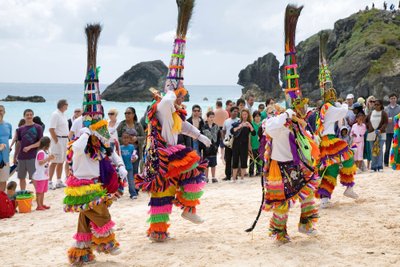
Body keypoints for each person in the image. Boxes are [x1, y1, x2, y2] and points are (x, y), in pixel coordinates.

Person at [135, 3, 211, 242]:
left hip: (172, 155)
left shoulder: (174, 110)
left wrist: (200, 136)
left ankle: (189, 208)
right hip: (160, 156)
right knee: (162, 194)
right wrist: (172, 90)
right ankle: (158, 231)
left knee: (192, 170)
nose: (182, 99)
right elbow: (168, 103)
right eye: (180, 95)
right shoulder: (162, 107)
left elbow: (184, 126)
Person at [65, 24, 126, 265]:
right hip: (82, 185)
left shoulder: (99, 140)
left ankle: (82, 253)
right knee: (100, 212)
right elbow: (77, 149)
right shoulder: (80, 139)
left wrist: (120, 167)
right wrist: (86, 132)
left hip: (96, 182)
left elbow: (111, 150)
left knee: (85, 219)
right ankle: (108, 244)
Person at [15, 109, 43, 191]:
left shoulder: (38, 127)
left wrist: (30, 147)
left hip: (33, 156)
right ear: (24, 116)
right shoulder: (20, 129)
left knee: (34, 177)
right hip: (21, 157)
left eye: (31, 114)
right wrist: (15, 155)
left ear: (33, 116)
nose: (29, 116)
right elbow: (19, 143)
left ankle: (38, 194)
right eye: (27, 115)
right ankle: (23, 193)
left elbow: (40, 142)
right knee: (21, 177)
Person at [48, 99, 69, 190]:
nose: (67, 106)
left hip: (64, 139)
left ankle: (59, 181)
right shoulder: (55, 114)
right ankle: (49, 182)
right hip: (58, 139)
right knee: (54, 161)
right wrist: (56, 141)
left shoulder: (63, 115)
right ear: (63, 105)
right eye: (66, 104)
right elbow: (51, 129)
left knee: (62, 161)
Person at [117, 107, 145, 172]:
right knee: (124, 171)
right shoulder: (122, 124)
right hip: (124, 152)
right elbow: (116, 137)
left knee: (134, 171)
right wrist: (125, 140)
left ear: (133, 114)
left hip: (135, 152)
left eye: (129, 113)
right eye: (125, 113)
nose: (127, 115)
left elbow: (144, 137)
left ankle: (134, 182)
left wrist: (137, 139)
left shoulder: (138, 125)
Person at [231, 109, 255, 182]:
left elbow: (254, 133)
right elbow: (232, 131)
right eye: (243, 114)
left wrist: (250, 126)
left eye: (246, 114)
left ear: (248, 115)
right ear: (241, 115)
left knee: (244, 161)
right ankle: (234, 178)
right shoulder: (238, 122)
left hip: (244, 145)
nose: (244, 116)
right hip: (236, 144)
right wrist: (240, 126)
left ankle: (242, 178)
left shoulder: (249, 123)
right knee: (235, 160)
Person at [32, 136, 54, 210]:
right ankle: (39, 205)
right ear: (47, 144)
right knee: (39, 192)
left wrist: (49, 159)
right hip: (39, 175)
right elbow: (40, 162)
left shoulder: (45, 152)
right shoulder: (41, 152)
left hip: (44, 175)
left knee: (43, 191)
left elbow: (45, 163)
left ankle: (41, 204)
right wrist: (48, 158)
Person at [366, 100, 388, 172]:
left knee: (380, 150)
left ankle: (380, 166)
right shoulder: (371, 113)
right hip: (371, 134)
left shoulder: (384, 113)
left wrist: (380, 130)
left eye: (377, 104)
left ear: (381, 105)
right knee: (373, 150)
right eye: (375, 104)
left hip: (381, 134)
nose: (376, 106)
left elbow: (385, 123)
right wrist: (369, 127)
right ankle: (373, 166)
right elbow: (366, 121)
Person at [201, 111, 220, 183]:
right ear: (207, 118)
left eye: (213, 117)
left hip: (214, 147)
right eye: (210, 117)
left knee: (213, 163)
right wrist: (203, 147)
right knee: (206, 164)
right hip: (206, 147)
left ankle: (213, 177)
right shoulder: (204, 127)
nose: (211, 118)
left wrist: (217, 146)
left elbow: (218, 137)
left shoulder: (216, 126)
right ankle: (206, 178)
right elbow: (202, 138)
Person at [222, 106, 240, 181]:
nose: (235, 113)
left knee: (235, 159)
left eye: (237, 111)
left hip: (237, 140)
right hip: (228, 141)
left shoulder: (239, 120)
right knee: (228, 159)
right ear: (230, 112)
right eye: (234, 111)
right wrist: (223, 139)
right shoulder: (227, 121)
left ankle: (235, 175)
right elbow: (223, 131)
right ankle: (228, 175)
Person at [120, 132, 138, 200]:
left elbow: (135, 155)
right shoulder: (120, 147)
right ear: (122, 139)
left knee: (131, 181)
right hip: (122, 168)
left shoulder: (132, 147)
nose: (125, 139)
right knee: (120, 181)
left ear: (129, 139)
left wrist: (135, 158)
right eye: (124, 138)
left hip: (130, 167)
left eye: (127, 138)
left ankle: (133, 194)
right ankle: (118, 193)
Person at [384, 93, 400, 167]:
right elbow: (383, 119)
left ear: (396, 99)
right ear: (389, 99)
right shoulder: (386, 108)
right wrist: (387, 120)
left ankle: (396, 162)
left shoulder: (399, 108)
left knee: (397, 147)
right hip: (388, 130)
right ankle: (386, 162)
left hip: (397, 131)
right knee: (387, 148)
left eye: (394, 98)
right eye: (391, 98)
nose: (393, 99)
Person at [0, 105, 12, 192]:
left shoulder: (8, 125)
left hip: (5, 158)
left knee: (3, 180)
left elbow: (7, 140)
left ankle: (2, 199)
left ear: (4, 112)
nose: (0, 112)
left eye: (1, 110)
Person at [249, 111, 262, 177]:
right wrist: (249, 145)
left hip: (260, 145)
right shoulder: (251, 124)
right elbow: (249, 135)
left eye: (259, 116)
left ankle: (259, 171)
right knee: (252, 159)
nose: (258, 118)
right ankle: (251, 172)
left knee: (259, 159)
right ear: (253, 117)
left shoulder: (262, 124)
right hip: (253, 144)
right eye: (256, 116)